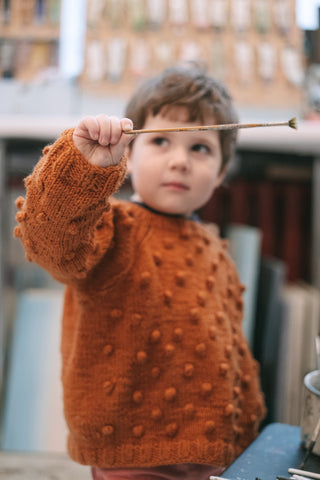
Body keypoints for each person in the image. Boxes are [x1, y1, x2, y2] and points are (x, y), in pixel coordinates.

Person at [14, 64, 266, 480]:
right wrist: (83, 168)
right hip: (128, 457)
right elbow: (49, 242)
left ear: (222, 172)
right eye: (162, 141)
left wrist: (247, 434)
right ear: (129, 156)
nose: (180, 161)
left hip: (212, 457)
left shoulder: (215, 248)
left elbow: (233, 356)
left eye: (200, 148)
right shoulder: (113, 226)